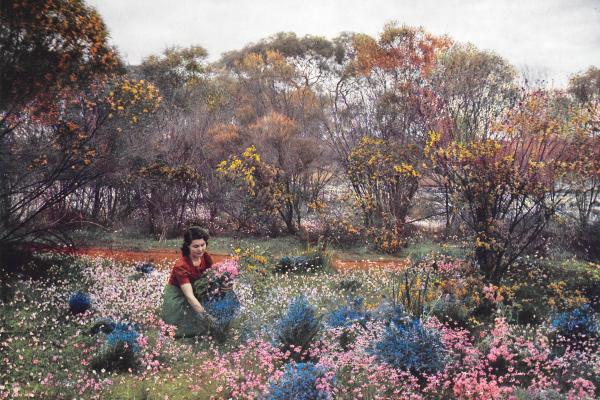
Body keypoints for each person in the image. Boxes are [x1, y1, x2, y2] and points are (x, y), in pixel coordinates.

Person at [161, 226, 218, 337]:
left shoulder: (206, 257)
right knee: (186, 330)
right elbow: (189, 296)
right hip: (179, 297)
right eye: (196, 246)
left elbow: (214, 278)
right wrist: (206, 316)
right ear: (188, 246)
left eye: (203, 245)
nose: (200, 249)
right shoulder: (181, 265)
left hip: (196, 291)